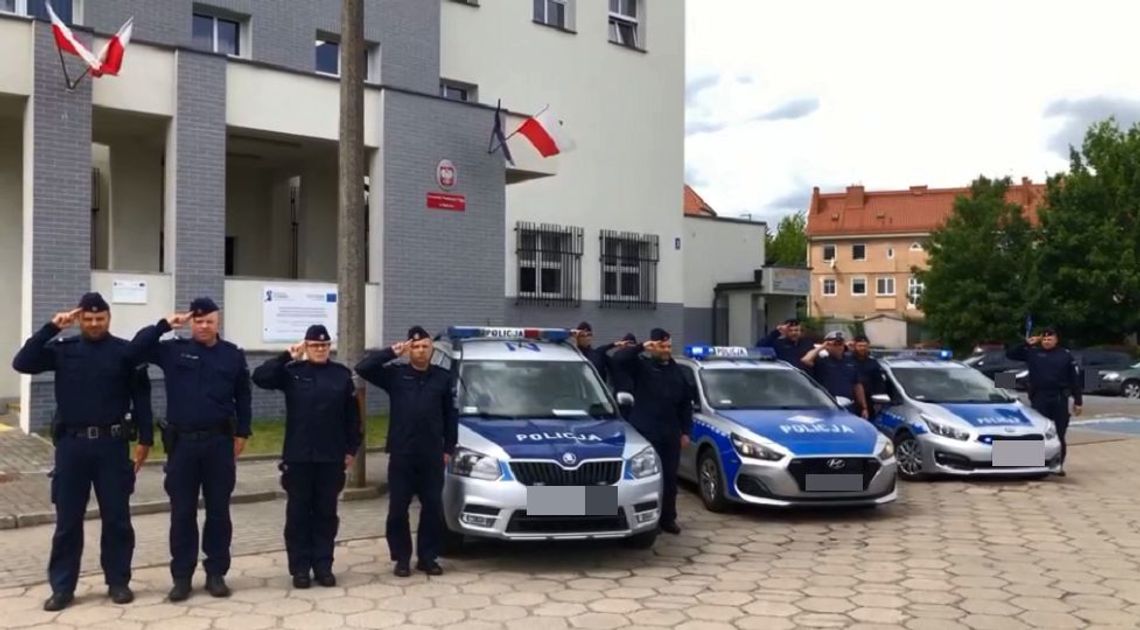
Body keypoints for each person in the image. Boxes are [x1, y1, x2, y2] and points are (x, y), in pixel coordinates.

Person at [11, 293, 153, 612]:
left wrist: (145, 439)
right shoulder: (64, 350)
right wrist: (51, 327)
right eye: (87, 319)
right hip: (72, 447)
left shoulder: (124, 352)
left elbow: (141, 396)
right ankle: (62, 587)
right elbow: (22, 362)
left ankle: (118, 582)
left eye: (99, 319)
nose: (93, 324)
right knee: (67, 522)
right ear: (79, 320)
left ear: (108, 318)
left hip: (112, 447)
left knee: (117, 519)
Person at [125, 297, 252, 601]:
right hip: (182, 445)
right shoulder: (173, 350)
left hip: (219, 444)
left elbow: (243, 397)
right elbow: (134, 350)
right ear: (191, 322)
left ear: (217, 322)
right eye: (198, 321)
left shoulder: (232, 355)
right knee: (182, 513)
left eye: (209, 321)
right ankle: (182, 576)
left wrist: (243, 433)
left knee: (219, 512)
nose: (203, 326)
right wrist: (163, 325)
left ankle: (216, 573)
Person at [251, 324, 362, 589]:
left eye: (324, 346)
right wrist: (286, 356)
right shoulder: (292, 372)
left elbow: (352, 417)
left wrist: (351, 449)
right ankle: (300, 568)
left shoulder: (340, 375)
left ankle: (323, 566)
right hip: (299, 457)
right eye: (315, 346)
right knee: (298, 515)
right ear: (306, 346)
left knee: (326, 514)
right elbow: (260, 378)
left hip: (331, 457)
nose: (320, 350)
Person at [355, 326, 457, 577]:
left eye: (425, 346)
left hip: (432, 454)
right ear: (409, 349)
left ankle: (427, 557)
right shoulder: (396, 375)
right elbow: (363, 368)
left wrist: (448, 448)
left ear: (431, 349)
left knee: (432, 508)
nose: (421, 351)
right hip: (402, 453)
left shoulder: (443, 378)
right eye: (416, 347)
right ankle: (401, 558)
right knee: (398, 509)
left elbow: (450, 416)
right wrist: (391, 352)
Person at [612, 328, 692, 535]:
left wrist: (686, 431)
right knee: (648, 479)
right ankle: (650, 520)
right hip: (646, 431)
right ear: (652, 346)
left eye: (668, 346)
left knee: (669, 478)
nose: (666, 350)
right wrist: (640, 347)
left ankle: (668, 518)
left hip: (670, 432)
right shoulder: (641, 366)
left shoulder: (677, 371)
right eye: (661, 346)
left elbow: (685, 404)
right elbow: (619, 359)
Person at [1006, 328, 1082, 476]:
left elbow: (1074, 380)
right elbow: (1010, 354)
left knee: (1059, 432)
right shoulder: (1033, 353)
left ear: (1056, 340)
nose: (1047, 342)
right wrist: (1026, 343)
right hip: (1039, 397)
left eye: (1050, 339)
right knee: (1038, 432)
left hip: (1059, 398)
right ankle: (1035, 464)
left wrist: (1078, 401)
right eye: (1045, 339)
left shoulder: (1065, 355)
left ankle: (1058, 464)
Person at [801, 331, 870, 418]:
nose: (839, 347)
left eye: (840, 344)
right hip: (827, 405)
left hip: (848, 405)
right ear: (828, 346)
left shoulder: (851, 362)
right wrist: (822, 346)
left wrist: (864, 407)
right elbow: (806, 360)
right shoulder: (822, 361)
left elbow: (858, 386)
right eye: (835, 345)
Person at [851, 335, 885, 400]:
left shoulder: (873, 363)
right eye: (860, 346)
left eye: (865, 346)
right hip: (851, 399)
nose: (863, 348)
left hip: (869, 399)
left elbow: (879, 383)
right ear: (854, 347)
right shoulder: (847, 361)